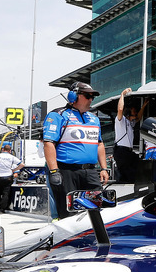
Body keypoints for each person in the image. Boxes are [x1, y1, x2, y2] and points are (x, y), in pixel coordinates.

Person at [43, 82, 109, 219]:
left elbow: (100, 144)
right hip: (66, 171)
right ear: (73, 96)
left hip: (90, 172)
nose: (91, 99)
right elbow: (48, 143)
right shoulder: (58, 115)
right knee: (68, 213)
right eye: (87, 96)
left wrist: (104, 168)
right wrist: (54, 171)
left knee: (98, 208)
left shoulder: (94, 119)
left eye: (93, 97)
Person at [113, 87, 149, 183]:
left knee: (136, 166)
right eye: (133, 112)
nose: (135, 114)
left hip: (128, 151)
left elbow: (138, 117)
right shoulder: (120, 121)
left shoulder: (130, 123)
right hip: (121, 150)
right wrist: (122, 95)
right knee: (125, 174)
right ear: (128, 114)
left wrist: (144, 106)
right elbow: (120, 109)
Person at [0, 143, 24, 213]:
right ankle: (2, 208)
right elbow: (22, 164)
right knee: (6, 193)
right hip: (8, 177)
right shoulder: (12, 157)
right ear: (10, 151)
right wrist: (14, 170)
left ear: (2, 150)